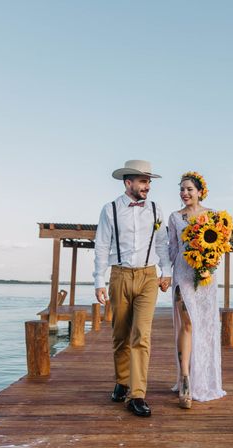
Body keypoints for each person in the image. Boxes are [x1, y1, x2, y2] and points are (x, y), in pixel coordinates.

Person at [93, 159, 172, 417]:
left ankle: (137, 395)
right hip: (120, 276)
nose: (147, 186)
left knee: (142, 335)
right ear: (128, 183)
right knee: (120, 334)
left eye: (148, 181)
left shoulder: (156, 210)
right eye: (143, 181)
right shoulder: (110, 210)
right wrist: (99, 281)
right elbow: (102, 246)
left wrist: (166, 272)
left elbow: (162, 244)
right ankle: (122, 380)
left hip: (148, 277)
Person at [168, 171, 226, 409]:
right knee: (188, 323)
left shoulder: (213, 216)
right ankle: (185, 378)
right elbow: (172, 249)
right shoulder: (175, 217)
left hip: (205, 277)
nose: (185, 193)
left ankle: (205, 377)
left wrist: (208, 265)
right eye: (182, 189)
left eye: (189, 189)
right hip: (183, 274)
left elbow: (220, 245)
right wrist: (165, 273)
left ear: (200, 191)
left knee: (204, 324)